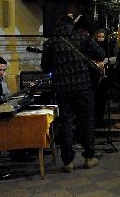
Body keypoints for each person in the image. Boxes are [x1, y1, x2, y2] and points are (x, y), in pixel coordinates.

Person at [41, 15, 105, 173]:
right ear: (72, 25)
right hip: (83, 87)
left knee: (66, 123)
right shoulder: (82, 38)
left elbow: (45, 66)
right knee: (86, 121)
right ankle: (89, 157)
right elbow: (101, 54)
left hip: (62, 89)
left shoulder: (50, 43)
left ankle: (67, 161)